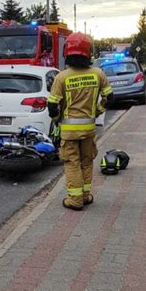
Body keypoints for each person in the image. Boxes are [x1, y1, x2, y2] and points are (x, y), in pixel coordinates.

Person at [47, 32, 112, 209]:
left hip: (69, 132)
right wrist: (97, 111)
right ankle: (85, 195)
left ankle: (75, 200)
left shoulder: (62, 77)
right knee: (86, 162)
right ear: (88, 52)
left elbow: (52, 105)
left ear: (67, 52)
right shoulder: (98, 74)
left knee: (72, 163)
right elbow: (110, 97)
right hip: (89, 130)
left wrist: (57, 119)